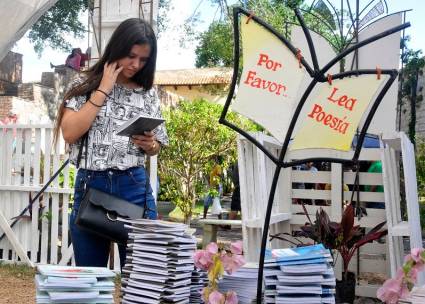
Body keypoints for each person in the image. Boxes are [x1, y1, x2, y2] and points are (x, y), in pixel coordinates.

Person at [53, 18, 168, 268]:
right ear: (117, 47)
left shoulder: (147, 93)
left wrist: (150, 145)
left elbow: (158, 145)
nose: (136, 65)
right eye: (131, 56)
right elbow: (69, 133)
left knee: (141, 277)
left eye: (144, 59)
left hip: (133, 186)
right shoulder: (83, 84)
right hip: (91, 187)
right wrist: (104, 88)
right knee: (92, 278)